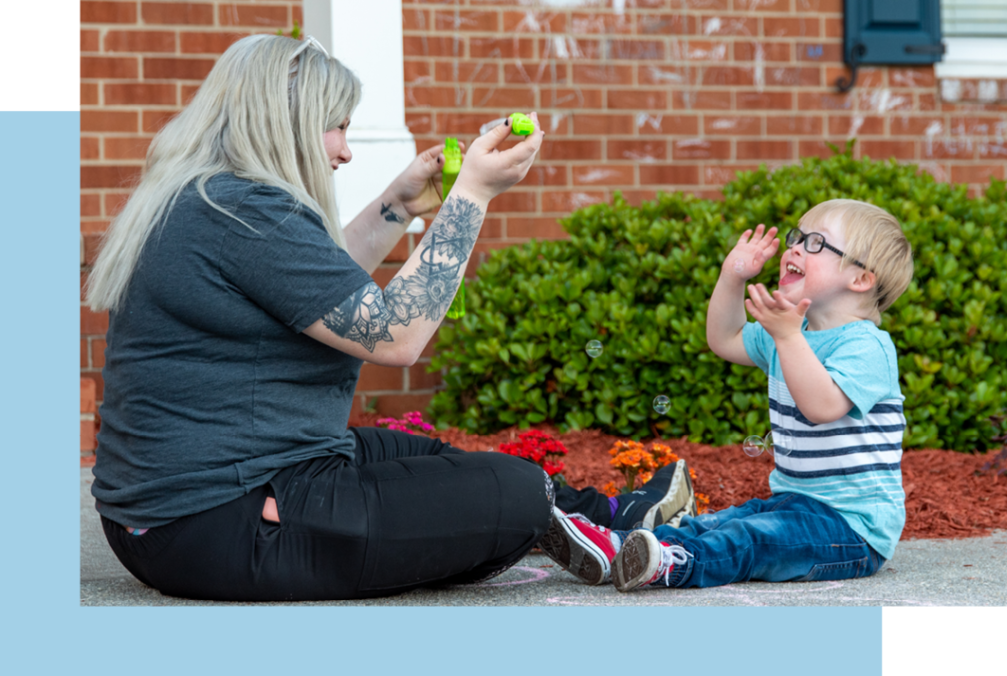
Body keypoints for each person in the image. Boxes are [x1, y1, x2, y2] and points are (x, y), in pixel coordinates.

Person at [86, 34, 693, 602]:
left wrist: (399, 205)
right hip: (220, 521)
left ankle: (611, 514)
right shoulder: (246, 212)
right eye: (338, 128)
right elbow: (394, 335)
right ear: (288, 124)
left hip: (187, 508)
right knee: (514, 491)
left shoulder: (205, 197)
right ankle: (579, 527)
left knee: (429, 457)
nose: (346, 151)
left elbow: (316, 293)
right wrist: (471, 198)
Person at [539, 199, 914, 591]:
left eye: (817, 242)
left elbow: (822, 406)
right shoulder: (788, 332)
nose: (796, 247)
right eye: (797, 237)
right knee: (722, 522)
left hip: (853, 528)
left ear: (861, 280)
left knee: (752, 539)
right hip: (795, 503)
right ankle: (616, 549)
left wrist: (786, 335)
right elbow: (725, 338)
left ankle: (672, 563)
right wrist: (731, 277)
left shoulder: (867, 346)